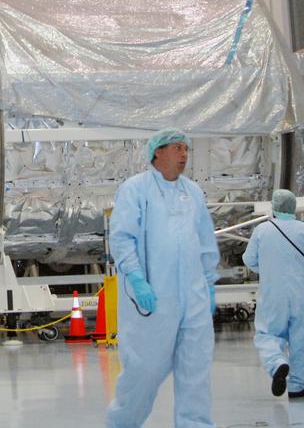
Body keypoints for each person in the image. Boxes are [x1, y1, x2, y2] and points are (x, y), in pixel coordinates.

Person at [106, 129, 219, 428]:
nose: (184, 155)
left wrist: (209, 284)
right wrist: (136, 278)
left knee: (195, 371)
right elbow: (122, 238)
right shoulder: (136, 189)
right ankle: (122, 422)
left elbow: (206, 241)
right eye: (178, 148)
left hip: (193, 298)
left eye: (187, 149)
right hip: (154, 299)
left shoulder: (192, 191)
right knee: (144, 371)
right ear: (158, 152)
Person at [244, 189, 304, 399]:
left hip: (273, 295)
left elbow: (249, 260)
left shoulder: (262, 231)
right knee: (302, 340)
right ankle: (297, 387)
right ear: (293, 207)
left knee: (268, 334)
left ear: (274, 207)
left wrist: (269, 268)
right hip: (302, 295)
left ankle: (277, 363)